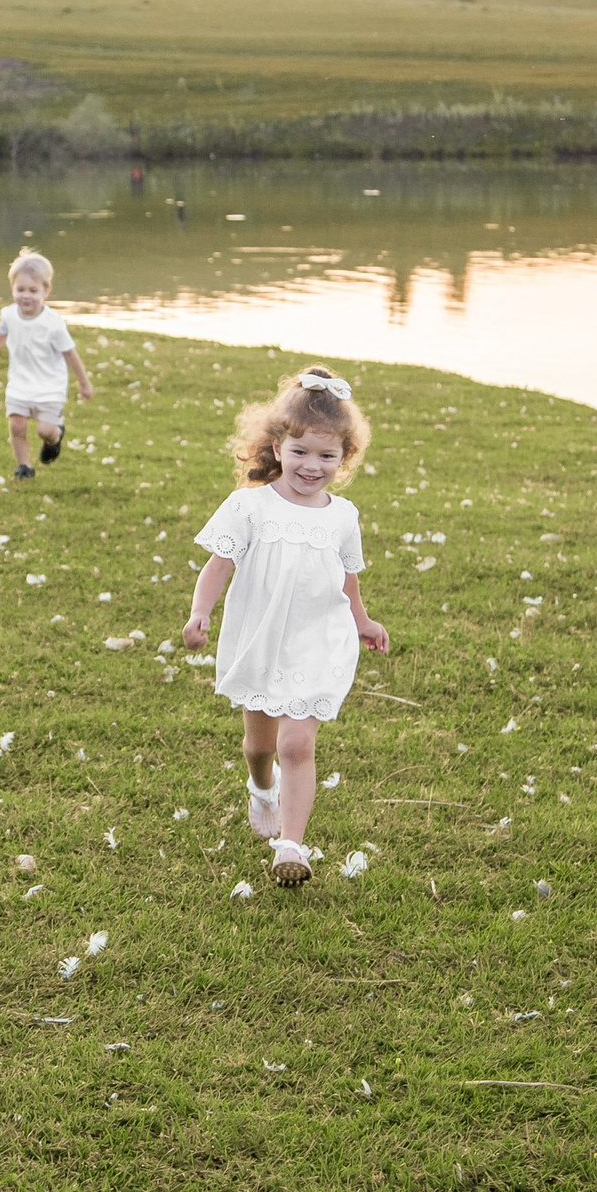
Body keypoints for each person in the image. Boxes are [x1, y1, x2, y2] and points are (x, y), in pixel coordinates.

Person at [180, 366, 389, 886]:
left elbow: (347, 577)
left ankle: (290, 845)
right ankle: (261, 789)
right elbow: (218, 566)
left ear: (345, 458)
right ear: (277, 447)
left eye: (327, 456)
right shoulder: (250, 507)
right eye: (300, 452)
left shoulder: (343, 516)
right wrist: (200, 611)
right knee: (260, 748)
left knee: (296, 744)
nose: (312, 466)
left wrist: (362, 620)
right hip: (263, 641)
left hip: (318, 641)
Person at [0, 249, 93, 481]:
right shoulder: (8, 315)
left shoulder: (53, 324)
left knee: (44, 431)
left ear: (46, 290)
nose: (25, 296)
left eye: (32, 290)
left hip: (49, 386)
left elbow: (70, 354)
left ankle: (55, 438)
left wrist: (84, 383)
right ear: (12, 288)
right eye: (20, 290)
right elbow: (2, 332)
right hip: (19, 383)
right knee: (17, 426)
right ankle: (24, 467)